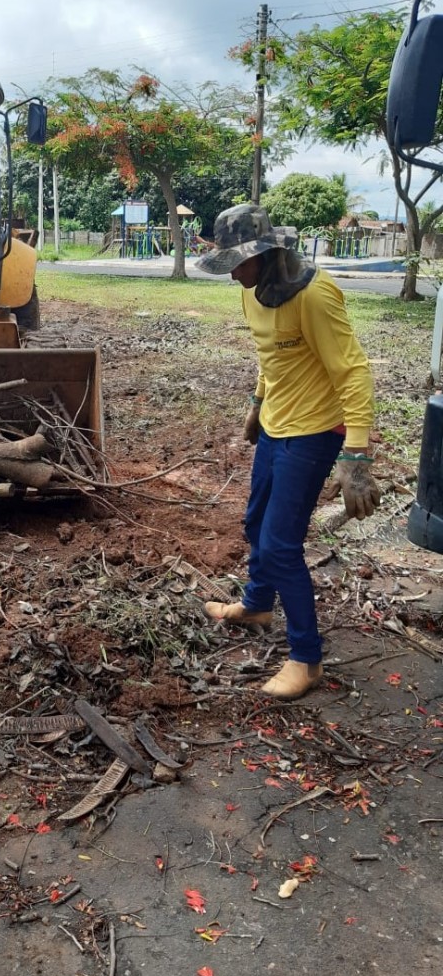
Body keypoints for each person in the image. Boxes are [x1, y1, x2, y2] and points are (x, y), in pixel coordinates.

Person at [194, 203, 380, 700]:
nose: (233, 273)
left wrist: (357, 456)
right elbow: (268, 354)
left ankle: (306, 658)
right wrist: (257, 404)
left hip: (317, 431)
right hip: (277, 424)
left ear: (266, 251)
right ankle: (256, 604)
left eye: (238, 261)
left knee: (280, 544)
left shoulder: (315, 296)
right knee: (256, 523)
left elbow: (353, 371)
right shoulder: (254, 292)